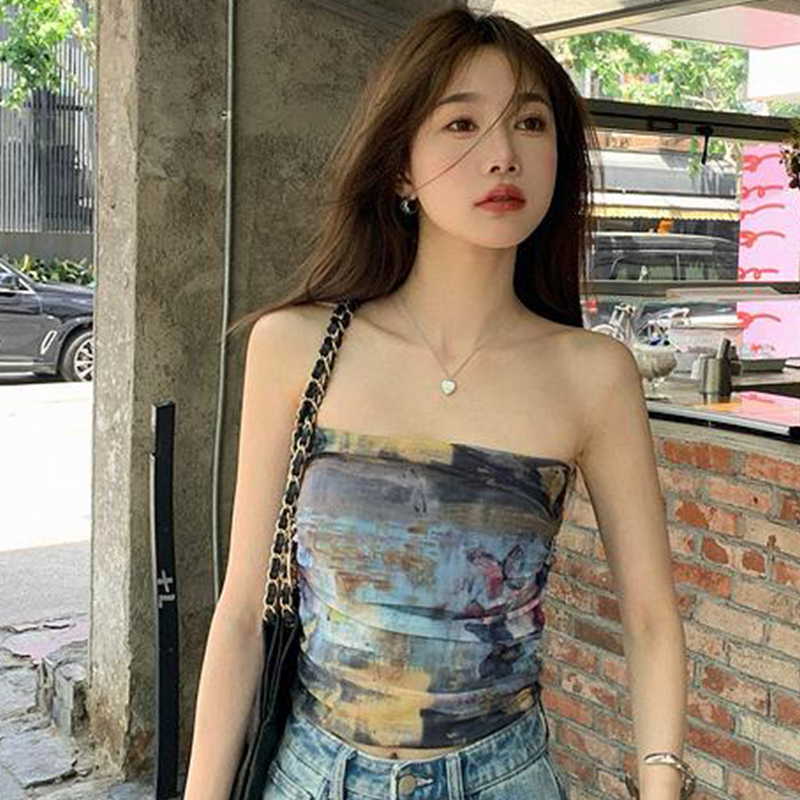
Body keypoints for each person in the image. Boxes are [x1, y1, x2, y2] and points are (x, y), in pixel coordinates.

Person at [184, 7, 688, 800]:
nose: (503, 153)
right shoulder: (294, 346)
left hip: (503, 778)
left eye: (530, 123)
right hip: (313, 777)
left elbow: (652, 620)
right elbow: (244, 612)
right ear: (400, 169)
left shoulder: (593, 375)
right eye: (461, 123)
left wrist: (661, 784)